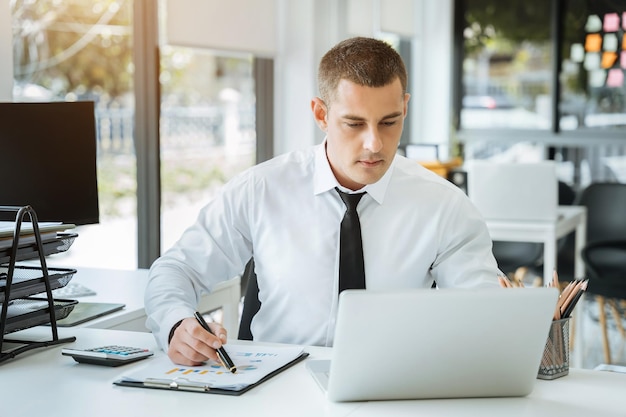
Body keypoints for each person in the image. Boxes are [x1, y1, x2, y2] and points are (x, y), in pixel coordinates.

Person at [145, 36, 501, 366]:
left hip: (394, 386)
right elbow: (177, 270)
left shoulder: (445, 206)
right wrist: (176, 325)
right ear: (320, 114)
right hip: (279, 387)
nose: (374, 144)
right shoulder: (261, 190)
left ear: (405, 108)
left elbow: (484, 310)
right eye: (354, 124)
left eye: (389, 122)